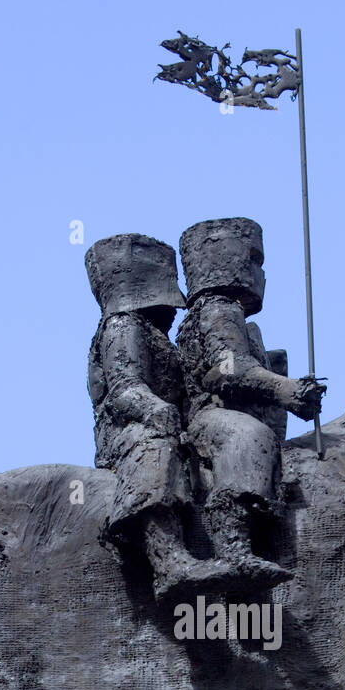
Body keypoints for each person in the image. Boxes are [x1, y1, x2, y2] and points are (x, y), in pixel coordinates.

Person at [177, 217, 325, 591]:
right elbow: (229, 368)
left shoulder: (239, 318)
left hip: (235, 414)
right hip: (212, 418)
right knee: (248, 436)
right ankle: (233, 548)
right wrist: (286, 389)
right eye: (255, 261)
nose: (261, 274)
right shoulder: (217, 310)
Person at [86, 232, 230, 602]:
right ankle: (168, 561)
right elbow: (124, 388)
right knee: (156, 446)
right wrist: (156, 411)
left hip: (172, 426)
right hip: (129, 434)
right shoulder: (122, 326)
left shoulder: (159, 336)